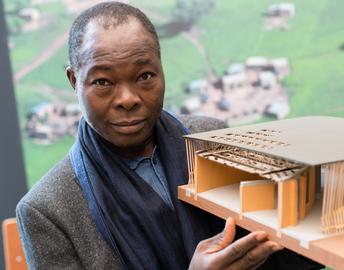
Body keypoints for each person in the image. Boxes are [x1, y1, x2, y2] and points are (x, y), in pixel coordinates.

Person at [16, 2, 320, 269]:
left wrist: (313, 214)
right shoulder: (46, 211)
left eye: (145, 76)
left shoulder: (213, 137)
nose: (128, 98)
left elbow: (279, 249)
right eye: (103, 82)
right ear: (74, 80)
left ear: (162, 69)